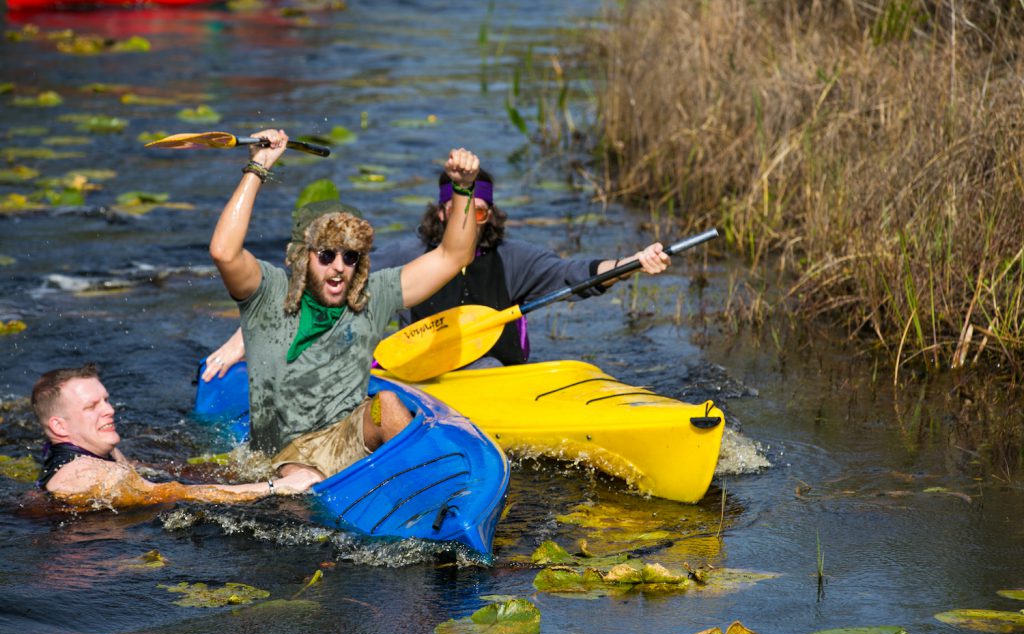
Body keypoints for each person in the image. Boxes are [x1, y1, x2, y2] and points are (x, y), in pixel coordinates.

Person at [202, 166, 672, 379]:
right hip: (427, 378)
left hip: (498, 375)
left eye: (481, 212)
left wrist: (633, 262)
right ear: (443, 214)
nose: (471, 220)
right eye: (464, 209)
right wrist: (246, 338)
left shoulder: (516, 258)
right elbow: (324, 292)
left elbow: (580, 276)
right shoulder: (406, 255)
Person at [208, 129, 481, 492]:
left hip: (347, 436)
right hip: (286, 455)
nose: (338, 266)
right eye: (326, 255)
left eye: (349, 257)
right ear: (305, 259)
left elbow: (454, 256)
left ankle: (429, 494)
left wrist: (463, 189)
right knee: (305, 482)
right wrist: (258, 165)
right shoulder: (268, 294)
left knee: (387, 403)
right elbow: (224, 252)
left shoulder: (371, 294)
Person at [32, 364, 295, 509]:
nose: (110, 410)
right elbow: (179, 494)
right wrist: (277, 487)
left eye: (106, 400)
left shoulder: (97, 448)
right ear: (60, 427)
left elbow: (143, 474)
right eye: (92, 406)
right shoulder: (85, 473)